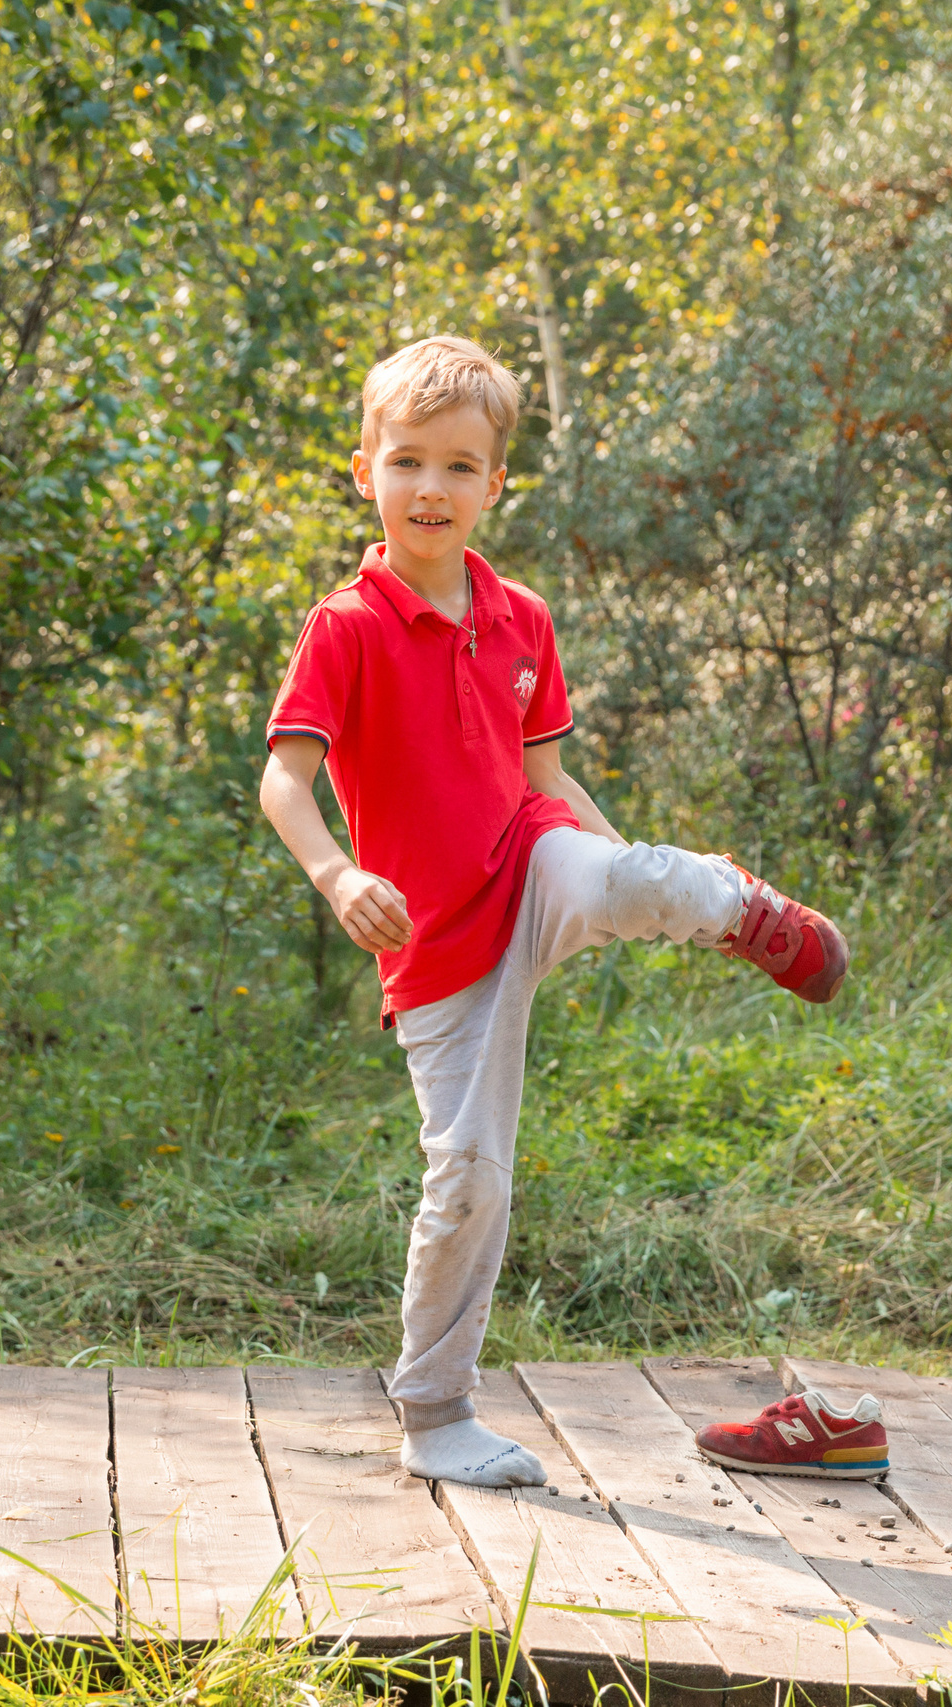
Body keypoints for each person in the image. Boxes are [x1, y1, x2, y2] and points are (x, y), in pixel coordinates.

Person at [258, 335, 852, 1489]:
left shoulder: (522, 616)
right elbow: (285, 777)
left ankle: (742, 906)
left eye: (459, 467)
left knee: (631, 870)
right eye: (407, 462)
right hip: (435, 946)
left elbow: (547, 786)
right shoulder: (348, 624)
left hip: (527, 863)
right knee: (470, 1175)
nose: (430, 488)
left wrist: (623, 878)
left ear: (495, 484)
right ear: (363, 469)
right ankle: (435, 1419)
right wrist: (337, 876)